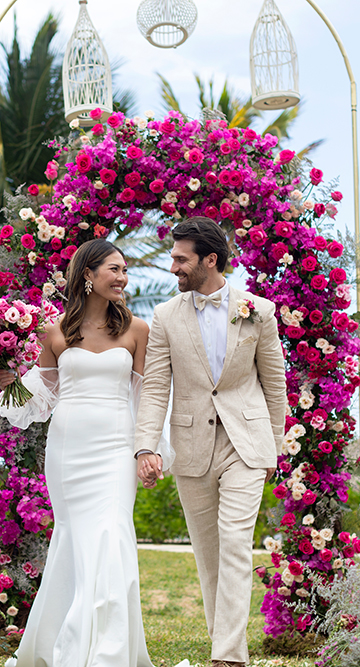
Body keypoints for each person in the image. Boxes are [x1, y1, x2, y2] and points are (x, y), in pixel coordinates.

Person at [0, 238, 159, 667]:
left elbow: (147, 399)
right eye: (114, 269)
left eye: (125, 270)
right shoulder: (56, 332)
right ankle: (57, 645)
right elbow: (38, 399)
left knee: (112, 535)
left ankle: (108, 652)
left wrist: (148, 450)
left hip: (116, 447)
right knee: (73, 542)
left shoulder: (137, 331)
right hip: (68, 449)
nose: (123, 278)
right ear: (88, 274)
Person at [134, 217, 287, 667]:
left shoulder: (259, 309)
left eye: (181, 260)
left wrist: (274, 447)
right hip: (191, 444)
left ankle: (228, 657)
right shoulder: (164, 317)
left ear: (210, 260)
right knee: (209, 552)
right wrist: (147, 445)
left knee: (236, 542)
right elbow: (157, 385)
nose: (173, 267)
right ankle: (224, 645)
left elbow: (274, 382)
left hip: (247, 442)